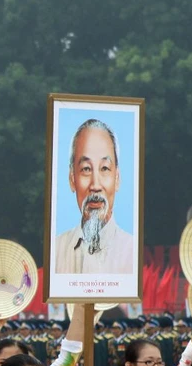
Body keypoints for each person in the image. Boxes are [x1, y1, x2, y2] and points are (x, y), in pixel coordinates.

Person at [53, 118, 135, 275]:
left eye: (104, 168)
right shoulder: (56, 250)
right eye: (86, 169)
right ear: (72, 179)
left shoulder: (133, 252)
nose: (95, 185)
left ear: (117, 179)